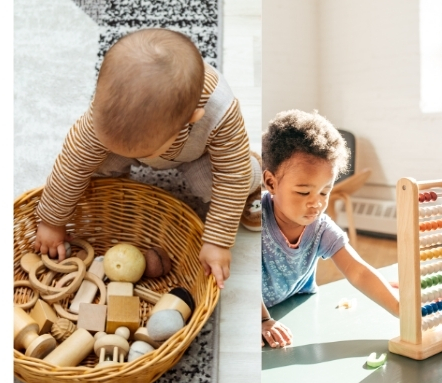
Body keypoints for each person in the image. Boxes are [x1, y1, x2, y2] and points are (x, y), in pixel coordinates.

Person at [32, 28, 263, 289]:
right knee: (90, 164)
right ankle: (116, 176)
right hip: (130, 142)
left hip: (198, 154)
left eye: (141, 151)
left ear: (191, 119)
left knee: (225, 179)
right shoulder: (109, 108)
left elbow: (231, 177)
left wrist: (218, 241)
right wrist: (52, 220)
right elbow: (72, 163)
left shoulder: (220, 113)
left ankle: (256, 175)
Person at [260, 109, 400, 350]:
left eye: (325, 191)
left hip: (297, 307)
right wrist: (262, 319)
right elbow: (239, 277)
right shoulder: (254, 218)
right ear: (271, 182)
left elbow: (358, 271)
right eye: (303, 192)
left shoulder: (320, 226)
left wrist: (401, 310)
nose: (316, 203)